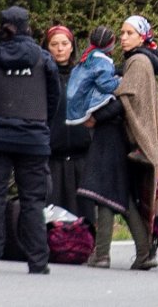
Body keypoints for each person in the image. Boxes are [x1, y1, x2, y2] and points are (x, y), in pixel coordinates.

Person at [0, 6, 60, 273]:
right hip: (33, 137)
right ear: (27, 26)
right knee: (33, 200)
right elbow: (54, 98)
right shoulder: (43, 58)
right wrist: (40, 125)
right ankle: (38, 262)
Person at [78, 15, 158, 270]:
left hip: (119, 134)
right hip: (122, 135)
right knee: (115, 193)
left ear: (142, 37)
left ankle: (107, 254)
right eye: (122, 33)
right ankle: (138, 253)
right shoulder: (134, 61)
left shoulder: (139, 62)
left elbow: (123, 101)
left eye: (129, 33)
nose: (124, 38)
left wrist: (95, 118)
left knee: (108, 191)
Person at [42, 25, 95, 223]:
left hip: (81, 154)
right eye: (54, 44)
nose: (60, 49)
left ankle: (86, 246)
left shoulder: (83, 74)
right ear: (47, 48)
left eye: (64, 44)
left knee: (83, 211)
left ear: (72, 47)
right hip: (53, 155)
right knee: (53, 212)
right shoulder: (43, 76)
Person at [65, 26, 120, 125]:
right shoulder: (103, 62)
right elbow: (105, 86)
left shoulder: (87, 57)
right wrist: (119, 81)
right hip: (87, 105)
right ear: (110, 45)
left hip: (74, 102)